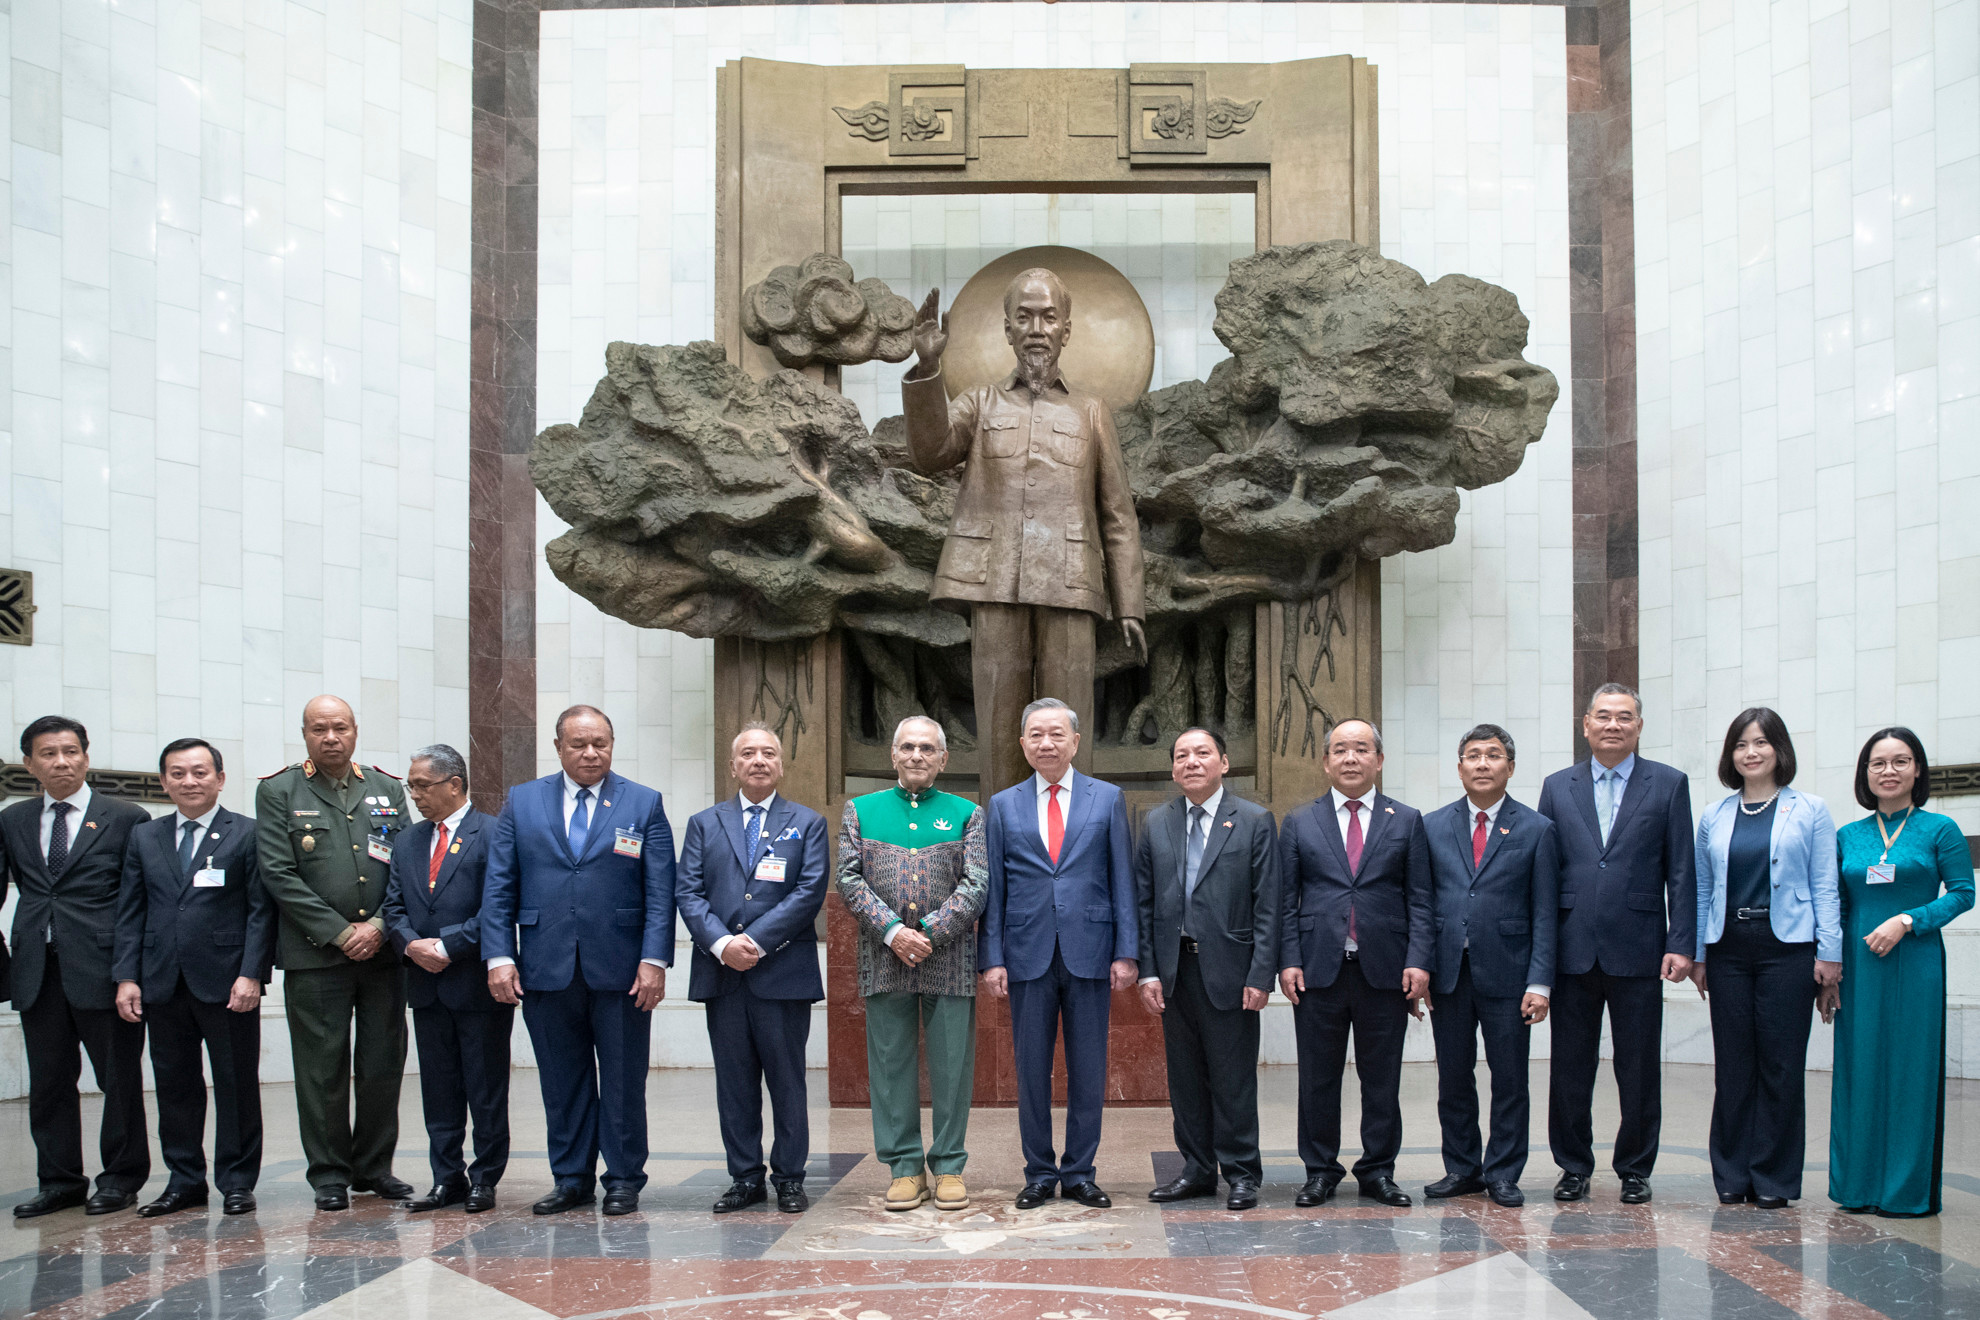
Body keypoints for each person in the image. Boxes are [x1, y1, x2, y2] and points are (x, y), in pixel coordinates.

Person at [902, 271, 1147, 796]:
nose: (1037, 328)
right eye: (1025, 316)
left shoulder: (1091, 411)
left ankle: (1072, 844)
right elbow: (930, 453)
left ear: (1067, 330)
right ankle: (1001, 844)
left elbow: (1118, 515)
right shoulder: (980, 403)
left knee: (1066, 725)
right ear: (1008, 330)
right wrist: (927, 369)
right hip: (994, 583)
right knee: (998, 724)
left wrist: (1130, 604)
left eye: (1049, 316)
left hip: (1070, 584)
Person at [482, 704, 675, 1216]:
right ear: (558, 747)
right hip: (545, 967)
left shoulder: (644, 802)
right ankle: (570, 1178)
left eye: (601, 744)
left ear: (612, 745)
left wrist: (655, 960)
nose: (591, 753)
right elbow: (499, 886)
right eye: (579, 744)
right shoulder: (522, 802)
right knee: (561, 1081)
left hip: (622, 969)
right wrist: (499, 956)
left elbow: (661, 892)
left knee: (622, 1079)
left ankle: (624, 1179)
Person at [1537, 683, 1695, 1205]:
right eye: (1602, 716)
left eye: (1623, 717)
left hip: (1640, 946)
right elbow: (1542, 873)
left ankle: (1635, 1167)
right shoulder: (1557, 786)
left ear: (1639, 726)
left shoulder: (1669, 784)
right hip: (1571, 946)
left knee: (1639, 1065)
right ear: (1585, 725)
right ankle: (1573, 1166)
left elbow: (1681, 869)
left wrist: (1681, 942)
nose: (1612, 725)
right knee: (1570, 1065)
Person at [255, 695, 414, 1210]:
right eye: (319, 728)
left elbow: (407, 867)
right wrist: (341, 932)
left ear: (355, 731)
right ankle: (328, 1173)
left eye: (340, 727)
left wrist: (383, 926)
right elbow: (278, 873)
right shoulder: (279, 790)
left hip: (384, 956)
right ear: (304, 733)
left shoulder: (387, 788)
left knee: (382, 1063)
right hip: (316, 954)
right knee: (321, 1069)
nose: (330, 737)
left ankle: (374, 1167)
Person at [979, 697, 1138, 1209]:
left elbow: (1122, 879)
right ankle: (1039, 1172)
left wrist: (1126, 950)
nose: (1046, 743)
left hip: (1091, 950)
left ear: (1075, 740)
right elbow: (995, 889)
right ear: (1023, 744)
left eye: (1056, 734)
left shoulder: (1107, 798)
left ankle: (1080, 1172)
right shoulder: (1002, 805)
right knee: (1030, 1069)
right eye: (1036, 735)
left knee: (1089, 1067)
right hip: (1026, 953)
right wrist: (993, 956)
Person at [113, 738, 276, 1218]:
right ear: (164, 781)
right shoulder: (146, 836)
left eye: (200, 772)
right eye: (178, 773)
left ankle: (237, 1182)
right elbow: (131, 910)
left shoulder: (246, 833)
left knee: (236, 1085)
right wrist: (127, 976)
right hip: (161, 982)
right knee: (174, 1087)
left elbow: (260, 912)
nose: (190, 781)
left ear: (220, 779)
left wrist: (252, 974)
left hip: (228, 984)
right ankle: (184, 1181)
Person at [1277, 719, 1432, 1209]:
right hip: (1319, 970)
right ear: (1325, 762)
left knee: (1381, 1079)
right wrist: (1288, 960)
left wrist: (1419, 961)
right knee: (1317, 1079)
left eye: (1361, 749)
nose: (1350, 758)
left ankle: (1378, 1171)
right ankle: (1320, 1171)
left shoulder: (1406, 820)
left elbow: (1421, 899)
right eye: (1340, 750)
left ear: (1378, 760)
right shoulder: (1300, 821)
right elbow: (1284, 901)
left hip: (1384, 970)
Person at [836, 716, 988, 1213]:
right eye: (907, 747)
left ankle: (948, 1166)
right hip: (883, 958)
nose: (917, 755)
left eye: (928, 748)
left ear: (944, 759)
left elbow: (976, 884)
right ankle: (903, 1167)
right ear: (893, 755)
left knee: (952, 1065)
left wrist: (929, 934)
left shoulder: (967, 813)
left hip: (949, 958)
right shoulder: (861, 810)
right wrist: (893, 932)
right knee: (890, 1064)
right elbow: (849, 879)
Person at [1, 716, 151, 1218]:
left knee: (118, 1080)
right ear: (29, 764)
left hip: (105, 970)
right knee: (48, 1083)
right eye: (48, 754)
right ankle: (59, 1180)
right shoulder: (13, 819)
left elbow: (138, 903)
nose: (61, 762)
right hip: (36, 971)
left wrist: (131, 971)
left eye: (70, 751)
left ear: (86, 756)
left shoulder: (126, 817)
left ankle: (122, 1178)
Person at [675, 724, 829, 1215]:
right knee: (734, 1083)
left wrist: (756, 942)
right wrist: (723, 944)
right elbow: (688, 892)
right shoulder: (704, 823)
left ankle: (789, 1178)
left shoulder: (807, 823)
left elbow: (809, 891)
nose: (758, 760)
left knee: (787, 1081)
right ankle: (744, 1178)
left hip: (782, 974)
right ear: (734, 765)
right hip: (723, 975)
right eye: (748, 753)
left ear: (781, 765)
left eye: (768, 753)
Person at [1690, 708, 1840, 1207]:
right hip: (1728, 949)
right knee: (1733, 1065)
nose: (1750, 753)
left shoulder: (1810, 809)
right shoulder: (1714, 814)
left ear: (1779, 749)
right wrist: (1697, 955)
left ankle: (1774, 1180)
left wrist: (1830, 953)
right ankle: (1732, 1175)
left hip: (1789, 952)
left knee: (1780, 1065)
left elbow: (1824, 884)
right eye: (1740, 745)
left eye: (1760, 743)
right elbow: (1702, 888)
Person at [1830, 726, 1974, 1218]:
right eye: (1878, 763)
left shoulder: (1940, 830)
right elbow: (1837, 908)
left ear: (1917, 770)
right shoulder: (1848, 836)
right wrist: (1827, 975)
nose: (1888, 771)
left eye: (1900, 761)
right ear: (1864, 774)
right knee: (1860, 1069)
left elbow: (1962, 893)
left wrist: (1910, 919)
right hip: (1858, 968)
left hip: (1916, 964)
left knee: (1912, 1072)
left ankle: (1904, 1192)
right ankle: (1859, 1187)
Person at [1135, 727, 1279, 1212]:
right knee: (1186, 1079)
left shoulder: (1255, 821)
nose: (1191, 762)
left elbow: (1268, 906)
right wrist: (1148, 972)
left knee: (1233, 1077)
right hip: (1175, 971)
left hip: (1233, 971)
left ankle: (1241, 1172)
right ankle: (1197, 1169)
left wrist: (1261, 975)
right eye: (1181, 755)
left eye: (1202, 753)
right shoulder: (1157, 823)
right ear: (1173, 768)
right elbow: (1145, 902)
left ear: (1224, 762)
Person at [1421, 724, 1558, 1208]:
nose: (1483, 763)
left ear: (1510, 768)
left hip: (1510, 974)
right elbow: (1422, 903)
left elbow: (1545, 911)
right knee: (1453, 1076)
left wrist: (1540, 981)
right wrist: (1420, 968)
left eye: (1493, 755)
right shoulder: (1432, 825)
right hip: (1448, 973)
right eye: (1473, 756)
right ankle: (1462, 1168)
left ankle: (1503, 1172)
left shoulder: (1537, 829)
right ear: (1459, 768)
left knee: (1510, 1078)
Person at [382, 744, 509, 1214]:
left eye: (422, 785)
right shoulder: (409, 841)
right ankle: (445, 1177)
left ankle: (485, 1178)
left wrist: (448, 946)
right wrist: (411, 944)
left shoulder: (494, 834)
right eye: (410, 786)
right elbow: (393, 906)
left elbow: (497, 909)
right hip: (426, 985)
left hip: (475, 984)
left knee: (485, 1086)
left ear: (454, 785)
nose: (414, 795)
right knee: (438, 1087)